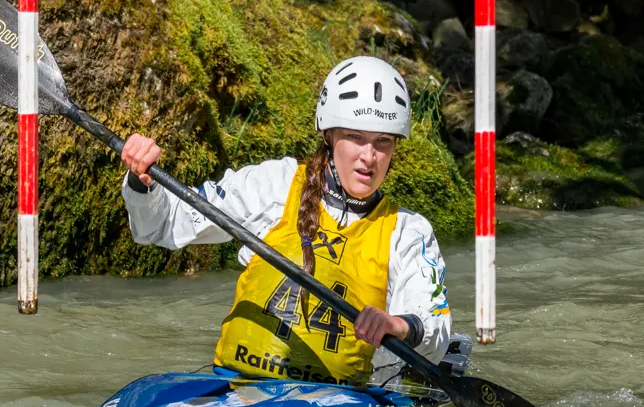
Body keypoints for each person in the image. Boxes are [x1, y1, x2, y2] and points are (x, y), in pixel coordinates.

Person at [119, 56, 451, 387]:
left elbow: (434, 327)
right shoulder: (274, 186)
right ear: (330, 136)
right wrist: (142, 181)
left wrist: (398, 326)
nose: (369, 156)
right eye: (355, 137)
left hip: (335, 405)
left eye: (383, 141)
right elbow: (163, 224)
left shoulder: (407, 232)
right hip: (234, 385)